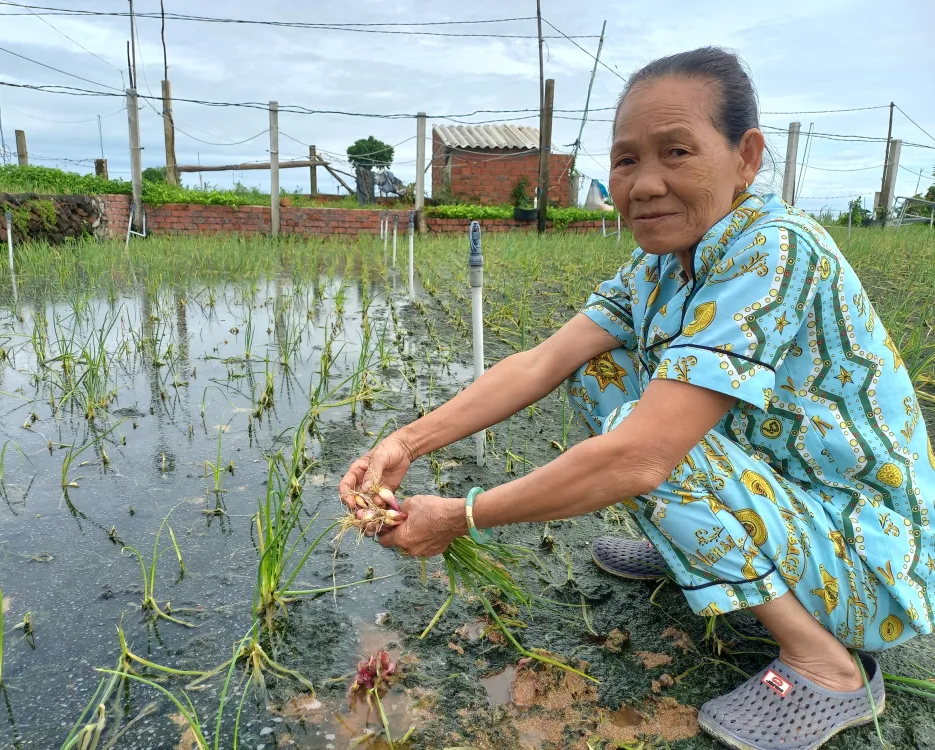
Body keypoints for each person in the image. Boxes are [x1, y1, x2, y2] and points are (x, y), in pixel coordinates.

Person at [339, 47, 935, 750]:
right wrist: (404, 442)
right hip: (799, 513)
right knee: (600, 369)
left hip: (873, 568)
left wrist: (462, 516)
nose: (645, 183)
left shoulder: (775, 250)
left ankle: (827, 666)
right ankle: (702, 550)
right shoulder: (656, 265)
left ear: (746, 157)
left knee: (643, 440)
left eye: (676, 152)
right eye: (625, 161)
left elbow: (647, 455)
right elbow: (542, 362)